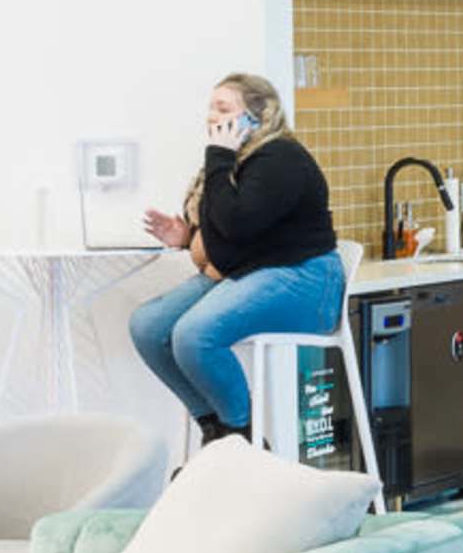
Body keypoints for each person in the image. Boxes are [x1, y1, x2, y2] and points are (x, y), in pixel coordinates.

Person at [126, 71, 344, 449]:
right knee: (148, 326)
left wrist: (219, 157)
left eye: (223, 108)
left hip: (305, 281)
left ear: (256, 116)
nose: (212, 117)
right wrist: (187, 238)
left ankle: (244, 436)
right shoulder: (235, 164)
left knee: (194, 335)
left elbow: (237, 225)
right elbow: (227, 238)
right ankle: (215, 430)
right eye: (210, 108)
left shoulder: (280, 157)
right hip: (254, 269)